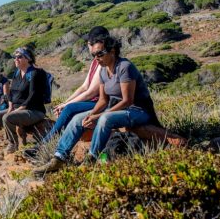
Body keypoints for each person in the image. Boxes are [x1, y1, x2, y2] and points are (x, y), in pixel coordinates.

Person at [33, 36, 161, 176]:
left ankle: (92, 158)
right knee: (78, 119)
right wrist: (92, 114)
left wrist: (99, 116)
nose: (96, 58)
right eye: (93, 55)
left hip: (138, 110)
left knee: (105, 118)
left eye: (100, 54)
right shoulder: (103, 70)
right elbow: (102, 100)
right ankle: (59, 157)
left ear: (112, 51)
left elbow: (127, 101)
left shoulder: (125, 67)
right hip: (117, 109)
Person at [24, 26, 109, 158]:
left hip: (100, 103)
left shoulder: (103, 62)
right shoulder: (95, 62)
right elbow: (84, 86)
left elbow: (91, 92)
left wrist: (66, 105)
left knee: (69, 110)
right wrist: (65, 102)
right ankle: (54, 148)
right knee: (68, 108)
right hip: (93, 101)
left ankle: (43, 146)